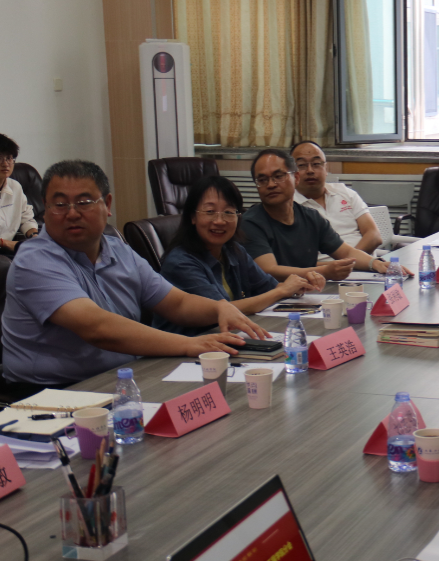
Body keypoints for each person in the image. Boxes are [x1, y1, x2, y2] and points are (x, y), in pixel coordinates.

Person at [2, 160, 268, 390]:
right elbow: (97, 328)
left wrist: (219, 308)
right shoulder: (34, 260)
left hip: (126, 378)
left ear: (107, 204)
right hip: (52, 393)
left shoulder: (118, 249)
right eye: (59, 204)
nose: (72, 213)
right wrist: (189, 344)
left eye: (84, 202)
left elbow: (177, 303)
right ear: (45, 208)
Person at [154, 175, 320, 336]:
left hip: (226, 337)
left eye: (228, 212)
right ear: (193, 217)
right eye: (210, 211)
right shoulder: (180, 263)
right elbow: (221, 311)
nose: (220, 221)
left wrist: (298, 285)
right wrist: (282, 291)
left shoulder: (234, 251)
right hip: (188, 346)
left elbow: (269, 288)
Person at [241, 149, 395, 282]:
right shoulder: (251, 223)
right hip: (273, 298)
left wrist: (375, 263)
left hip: (309, 293)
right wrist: (324, 272)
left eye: (278, 176)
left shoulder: (310, 217)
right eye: (262, 180)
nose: (271, 184)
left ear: (296, 178)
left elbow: (346, 252)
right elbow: (269, 270)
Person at [291, 141, 382, 260]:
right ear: (291, 172)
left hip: (367, 265)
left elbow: (374, 236)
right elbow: (295, 262)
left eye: (316, 164)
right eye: (302, 165)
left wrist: (350, 262)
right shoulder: (288, 206)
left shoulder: (345, 192)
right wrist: (343, 266)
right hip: (324, 270)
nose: (310, 170)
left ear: (326, 168)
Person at [0, 133, 39, 255]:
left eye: (9, 158)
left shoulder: (15, 187)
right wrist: (7, 244)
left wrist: (34, 236)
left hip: (11, 249)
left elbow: (25, 218)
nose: (5, 164)